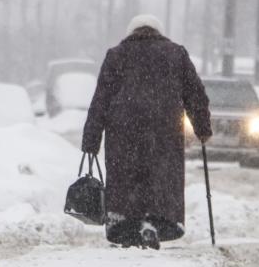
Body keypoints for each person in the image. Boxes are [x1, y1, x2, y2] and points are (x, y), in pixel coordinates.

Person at [81, 14, 212, 250]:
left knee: (126, 178)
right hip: (164, 130)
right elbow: (196, 95)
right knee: (160, 178)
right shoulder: (175, 54)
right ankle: (155, 221)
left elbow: (100, 100)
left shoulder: (116, 55)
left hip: (123, 132)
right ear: (158, 31)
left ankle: (129, 224)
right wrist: (202, 128)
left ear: (131, 32)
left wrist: (91, 139)